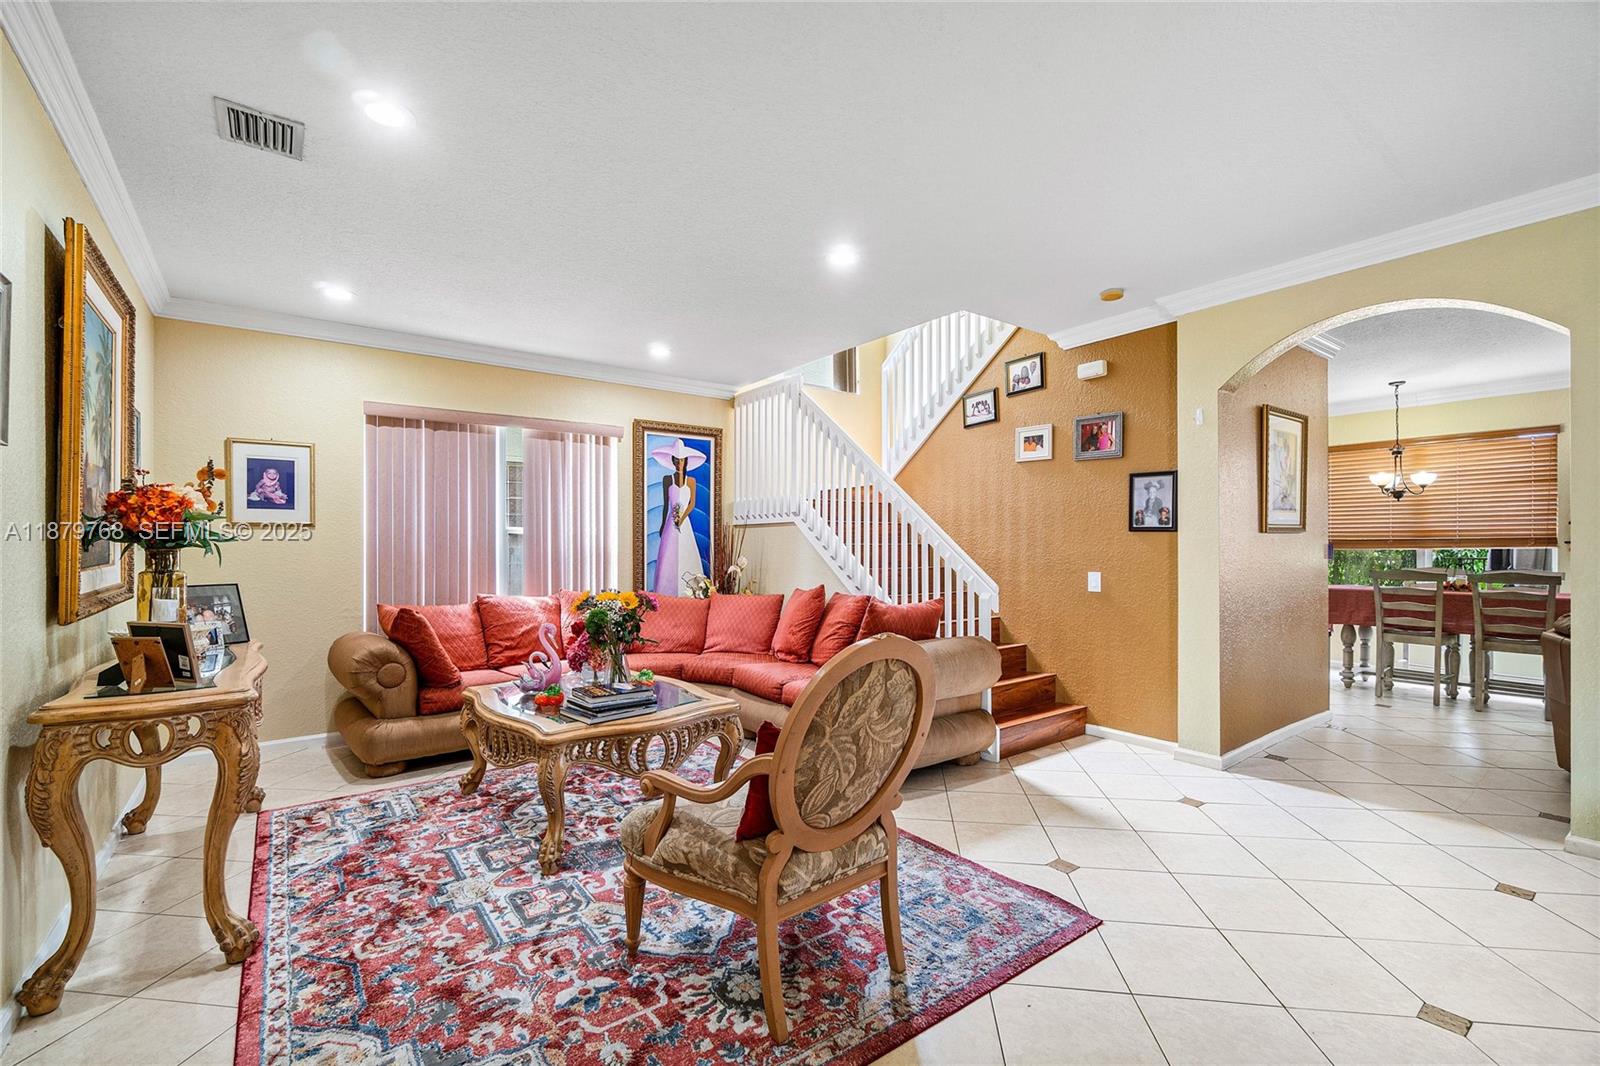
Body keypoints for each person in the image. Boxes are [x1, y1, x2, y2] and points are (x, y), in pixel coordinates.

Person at [650, 439, 707, 596]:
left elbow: (692, 504)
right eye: (676, 460)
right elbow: (666, 504)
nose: (679, 464)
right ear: (672, 461)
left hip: (684, 523)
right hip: (670, 523)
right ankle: (666, 590)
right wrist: (663, 524)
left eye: (681, 461)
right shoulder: (667, 480)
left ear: (686, 462)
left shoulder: (691, 481)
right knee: (669, 556)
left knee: (686, 552)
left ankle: (689, 592)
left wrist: (682, 518)